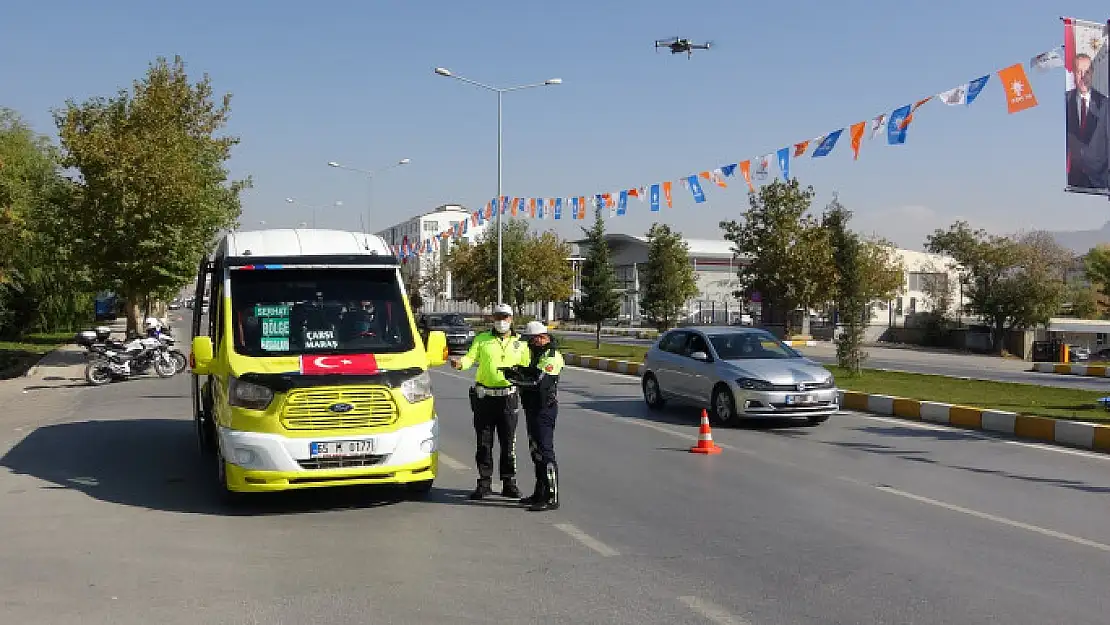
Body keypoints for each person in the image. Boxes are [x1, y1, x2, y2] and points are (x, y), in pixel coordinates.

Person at [451, 304, 529, 500]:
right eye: (497, 317)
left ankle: (509, 482)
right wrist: (460, 364)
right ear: (493, 319)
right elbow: (470, 359)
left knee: (508, 443)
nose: (501, 321)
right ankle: (484, 483)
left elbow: (527, 368)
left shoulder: (521, 343)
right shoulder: (482, 339)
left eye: (505, 317)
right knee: (484, 443)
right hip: (485, 398)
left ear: (512, 319)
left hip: (508, 398)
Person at [508, 321, 565, 512]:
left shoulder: (552, 356)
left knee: (545, 452)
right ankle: (539, 492)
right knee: (535, 451)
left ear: (541, 338)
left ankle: (551, 496)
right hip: (532, 408)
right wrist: (517, 370)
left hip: (544, 409)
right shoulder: (538, 354)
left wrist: (516, 380)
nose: (529, 344)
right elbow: (531, 372)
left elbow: (538, 382)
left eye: (531, 340)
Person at [1067, 52, 1109, 190]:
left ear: (1092, 73)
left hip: (1099, 181)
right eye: (1079, 72)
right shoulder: (1065, 101)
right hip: (1073, 179)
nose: (1083, 77)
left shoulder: (1104, 104)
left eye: (1087, 72)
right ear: (1073, 73)